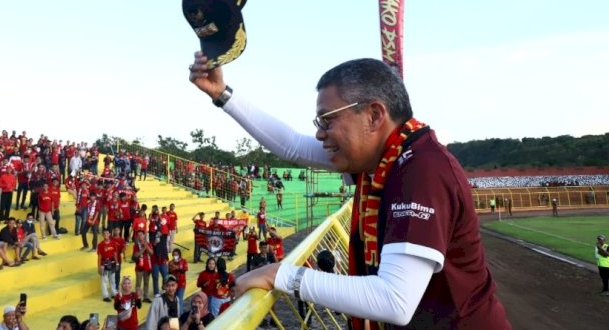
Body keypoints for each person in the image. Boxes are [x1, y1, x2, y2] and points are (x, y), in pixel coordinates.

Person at [189, 54, 511, 328]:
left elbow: (394, 299)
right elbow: (291, 146)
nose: (318, 133)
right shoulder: (379, 157)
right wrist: (222, 94)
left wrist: (281, 275)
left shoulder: (421, 168)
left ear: (374, 115)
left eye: (327, 120)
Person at [97, 228, 119, 302]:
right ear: (102, 235)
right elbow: (99, 257)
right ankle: (105, 296)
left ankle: (113, 293)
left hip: (112, 263)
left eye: (107, 233)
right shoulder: (100, 245)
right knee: (104, 280)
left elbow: (115, 253)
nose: (106, 235)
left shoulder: (113, 243)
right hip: (104, 264)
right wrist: (99, 267)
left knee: (112, 279)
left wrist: (117, 263)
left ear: (109, 234)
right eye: (104, 233)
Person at [132, 229, 154, 303]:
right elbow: (136, 255)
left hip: (147, 266)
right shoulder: (136, 245)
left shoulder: (148, 244)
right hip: (139, 267)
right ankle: (138, 297)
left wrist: (146, 247)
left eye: (141, 235)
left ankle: (146, 297)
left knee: (146, 282)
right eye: (138, 235)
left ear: (144, 235)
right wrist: (143, 249)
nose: (140, 237)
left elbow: (151, 253)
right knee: (138, 283)